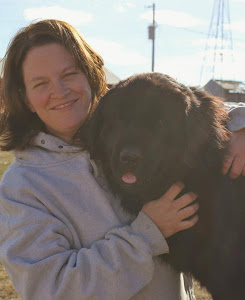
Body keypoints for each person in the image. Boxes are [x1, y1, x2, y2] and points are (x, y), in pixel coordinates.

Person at [0, 19, 244, 300]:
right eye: (41, 83)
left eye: (68, 74)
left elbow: (181, 104)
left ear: (90, 75)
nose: (60, 90)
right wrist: (147, 235)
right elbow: (52, 290)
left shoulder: (115, 125)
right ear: (26, 98)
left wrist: (238, 124)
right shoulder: (22, 188)